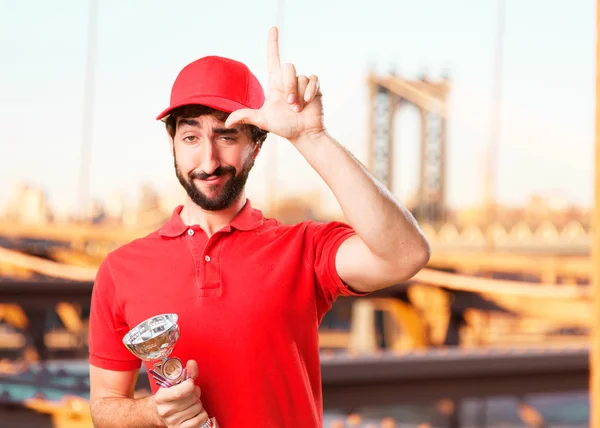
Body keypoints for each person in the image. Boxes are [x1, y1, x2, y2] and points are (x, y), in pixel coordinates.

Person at [88, 27, 431, 428]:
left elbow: (406, 254)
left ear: (257, 143)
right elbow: (105, 406)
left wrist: (311, 137)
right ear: (172, 143)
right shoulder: (120, 268)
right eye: (191, 137)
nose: (209, 160)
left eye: (227, 135)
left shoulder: (304, 249)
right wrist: (152, 413)